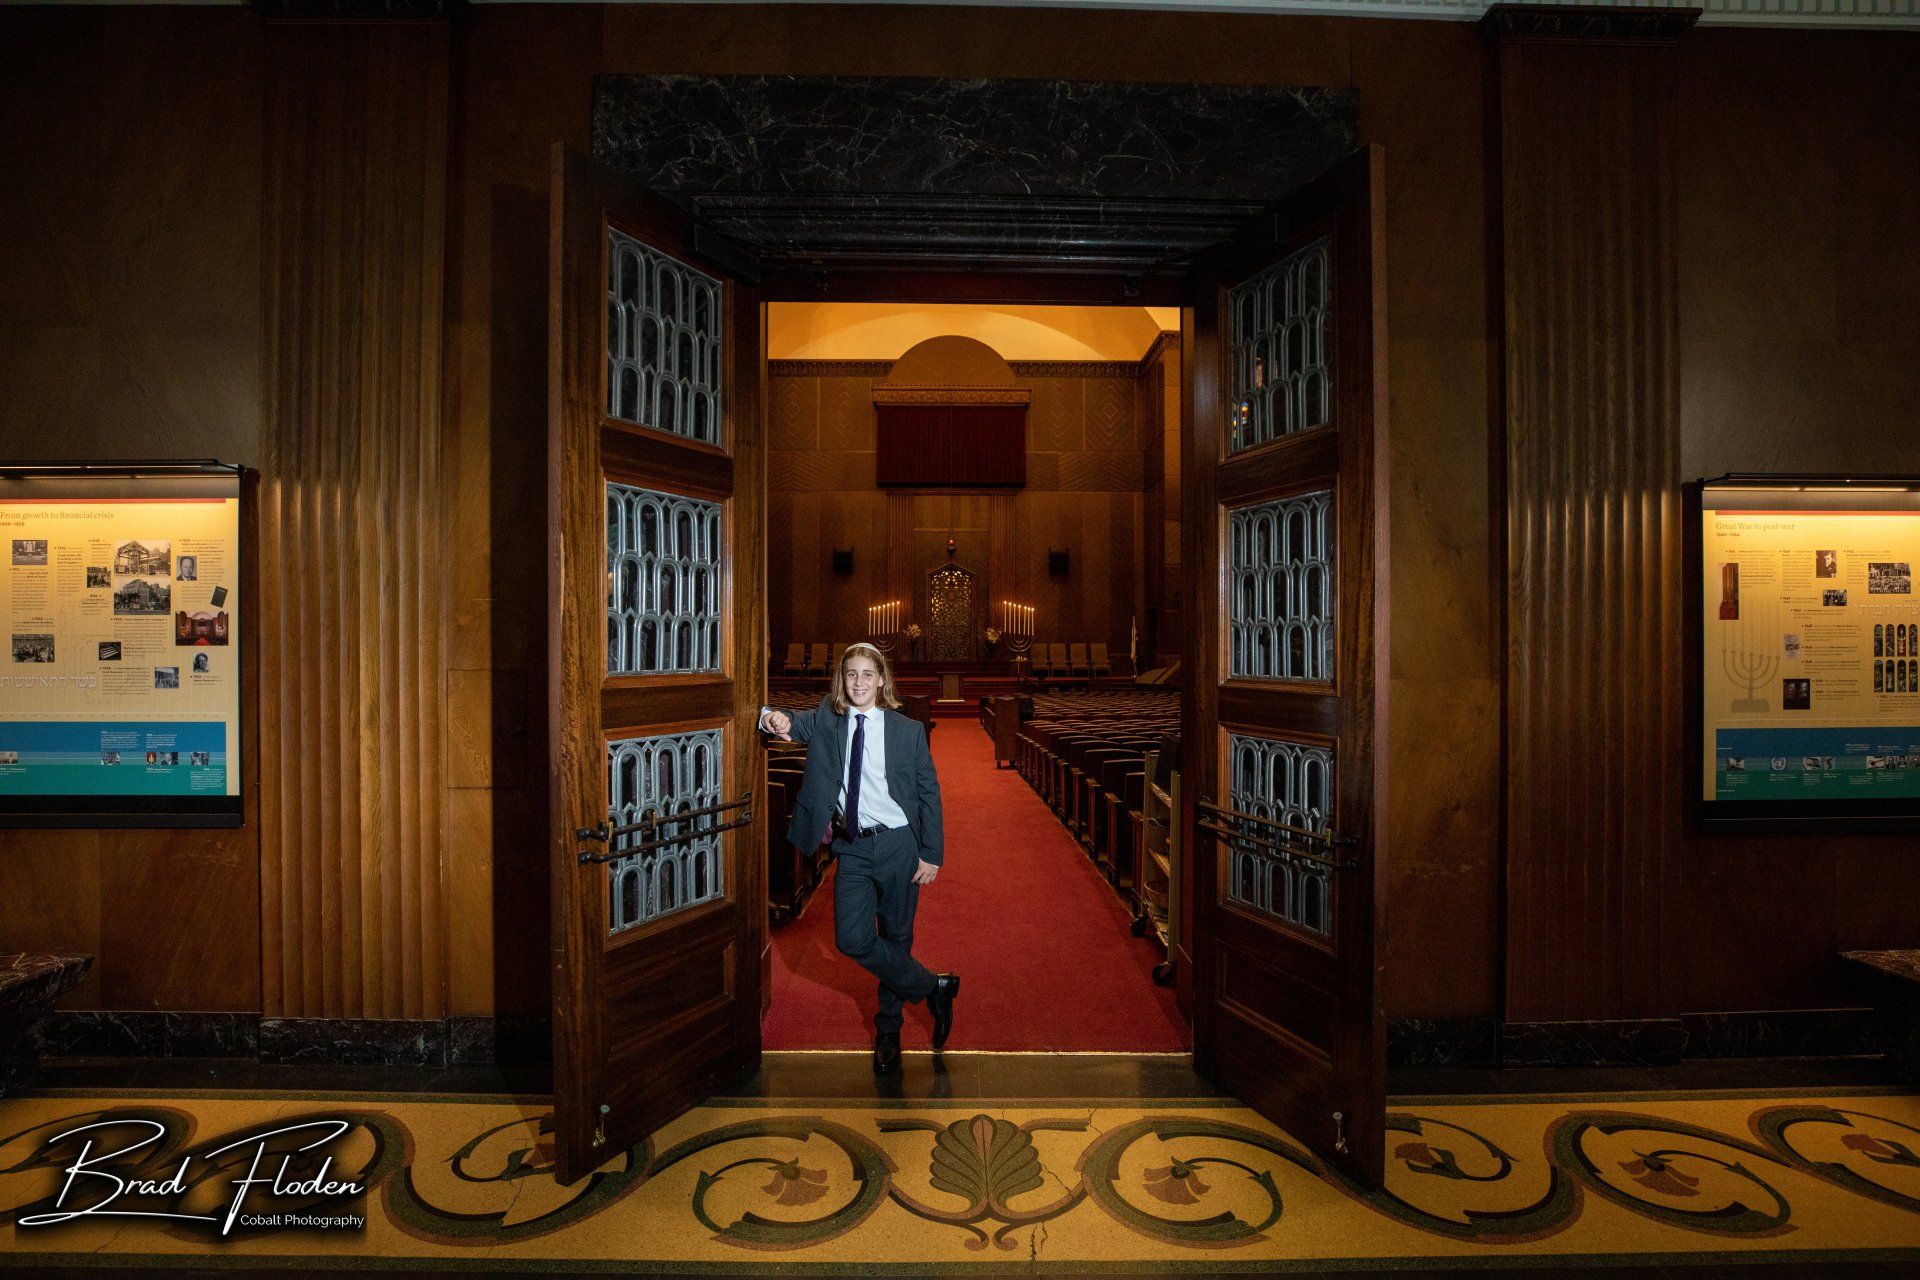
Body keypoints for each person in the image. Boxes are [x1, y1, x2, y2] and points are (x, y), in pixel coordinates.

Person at [760, 642, 957, 1075]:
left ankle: (888, 1031)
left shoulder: (906, 730)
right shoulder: (828, 722)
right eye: (852, 674)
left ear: (882, 680)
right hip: (851, 846)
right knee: (852, 939)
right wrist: (769, 717)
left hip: (899, 845)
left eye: (868, 674)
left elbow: (929, 794)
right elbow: (783, 724)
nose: (860, 682)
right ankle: (932, 986)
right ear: (842, 680)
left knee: (896, 937)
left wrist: (932, 853)